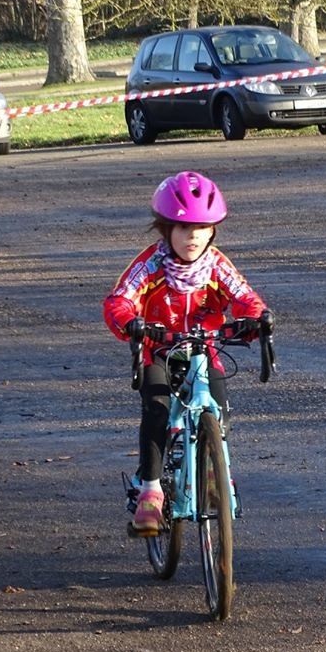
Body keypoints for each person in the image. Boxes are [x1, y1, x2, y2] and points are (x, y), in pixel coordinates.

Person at [103, 171, 268, 535]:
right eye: (182, 228)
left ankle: (214, 471)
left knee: (218, 408)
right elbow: (118, 301)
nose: (192, 237)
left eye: (201, 228)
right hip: (158, 350)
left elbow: (244, 297)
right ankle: (150, 491)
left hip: (204, 347)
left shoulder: (217, 265)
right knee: (157, 410)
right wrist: (130, 322)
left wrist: (255, 319)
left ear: (213, 231)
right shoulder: (151, 264)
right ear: (165, 230)